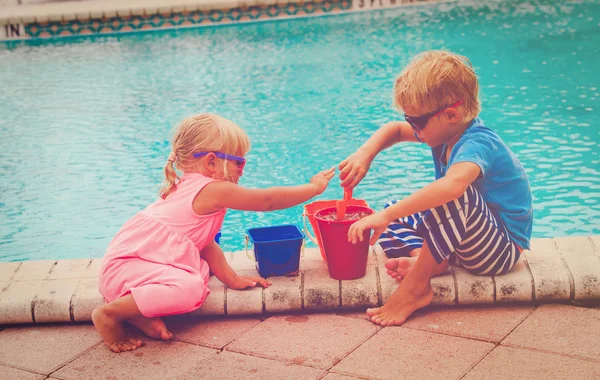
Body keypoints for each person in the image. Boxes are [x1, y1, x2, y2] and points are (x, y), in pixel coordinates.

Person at [93, 113, 335, 353]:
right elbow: (267, 201)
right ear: (211, 162)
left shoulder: (190, 185)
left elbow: (205, 243)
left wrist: (232, 279)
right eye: (239, 162)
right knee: (190, 289)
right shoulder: (213, 189)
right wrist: (313, 188)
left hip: (129, 270)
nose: (243, 170)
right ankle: (109, 315)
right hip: (129, 268)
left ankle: (137, 313)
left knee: (200, 271)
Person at [340, 50, 532, 326]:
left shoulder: (477, 143)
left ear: (451, 114)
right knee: (389, 209)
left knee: (451, 194)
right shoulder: (445, 130)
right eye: (409, 120)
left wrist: (389, 215)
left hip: (499, 251)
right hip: (467, 241)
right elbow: (393, 131)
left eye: (416, 122)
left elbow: (453, 187)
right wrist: (365, 154)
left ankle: (417, 287)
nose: (412, 128)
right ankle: (429, 261)